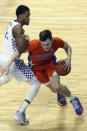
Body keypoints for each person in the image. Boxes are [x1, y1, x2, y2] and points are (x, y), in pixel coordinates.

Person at [0, 30, 83, 118]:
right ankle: (60, 93)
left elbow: (67, 46)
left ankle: (73, 99)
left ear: (52, 40)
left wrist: (69, 58)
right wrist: (8, 64)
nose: (45, 47)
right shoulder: (33, 44)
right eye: (43, 44)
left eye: (47, 44)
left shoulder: (56, 41)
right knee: (54, 89)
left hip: (50, 64)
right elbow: (18, 52)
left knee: (57, 86)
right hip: (37, 69)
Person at [0, 5, 41, 125]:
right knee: (36, 82)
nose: (29, 18)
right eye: (27, 15)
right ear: (20, 15)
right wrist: (26, 43)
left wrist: (25, 41)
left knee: (6, 79)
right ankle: (20, 112)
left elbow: (18, 43)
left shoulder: (12, 23)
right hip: (11, 62)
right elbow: (20, 48)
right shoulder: (18, 30)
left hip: (3, 57)